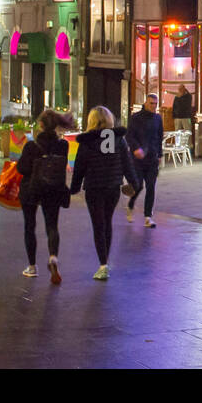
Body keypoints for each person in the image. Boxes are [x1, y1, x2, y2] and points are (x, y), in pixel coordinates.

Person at [70, 106, 137, 280]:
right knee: (107, 221)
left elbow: (80, 167)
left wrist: (74, 187)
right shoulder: (119, 140)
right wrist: (133, 182)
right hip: (113, 187)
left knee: (98, 225)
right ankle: (105, 261)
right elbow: (127, 164)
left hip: (94, 187)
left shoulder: (87, 141)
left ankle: (103, 265)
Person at [16, 110, 73, 282]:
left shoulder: (31, 146)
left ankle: (32, 266)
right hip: (54, 188)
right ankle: (53, 256)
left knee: (30, 226)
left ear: (40, 125)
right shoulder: (63, 145)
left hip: (31, 188)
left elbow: (22, 169)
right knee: (52, 225)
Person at [124, 93, 163, 228]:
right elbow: (129, 136)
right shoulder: (136, 118)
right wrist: (135, 148)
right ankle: (130, 205)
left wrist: (159, 155)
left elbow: (159, 137)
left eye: (155, 104)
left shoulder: (158, 118)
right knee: (138, 186)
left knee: (151, 187)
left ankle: (148, 217)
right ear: (145, 103)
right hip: (138, 159)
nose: (153, 106)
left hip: (152, 158)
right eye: (151, 103)